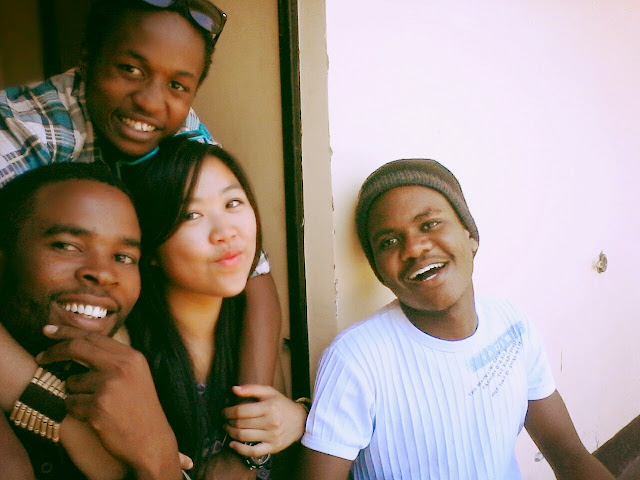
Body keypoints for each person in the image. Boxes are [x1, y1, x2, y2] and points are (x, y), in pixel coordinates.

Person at [0, 0, 281, 436]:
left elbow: (254, 272)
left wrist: (251, 423)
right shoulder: (26, 131)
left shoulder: (181, 129)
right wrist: (60, 421)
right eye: (130, 69)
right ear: (87, 58)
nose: (151, 102)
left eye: (178, 85)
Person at [298, 159, 616, 480]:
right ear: (380, 272)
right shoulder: (356, 359)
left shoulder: (510, 324)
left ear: (470, 237)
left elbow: (568, 452)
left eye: (429, 224)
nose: (414, 248)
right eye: (389, 242)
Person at [35, 138, 308, 479]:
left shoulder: (247, 327)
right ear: (150, 248)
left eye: (233, 203)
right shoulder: (118, 351)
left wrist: (300, 418)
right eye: (191, 215)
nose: (225, 232)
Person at [0, 162, 155, 479]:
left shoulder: (142, 381)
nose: (103, 274)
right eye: (66, 246)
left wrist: (155, 453)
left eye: (123, 257)